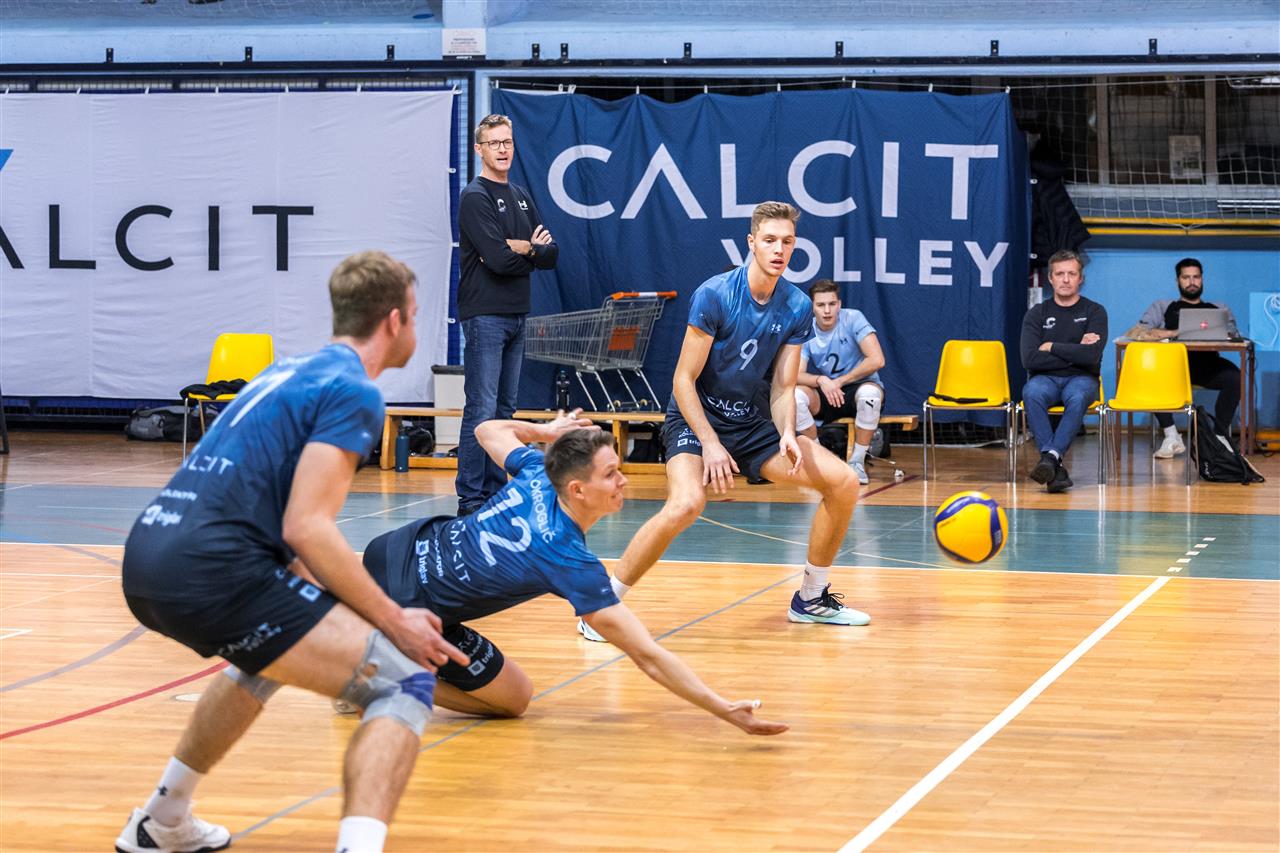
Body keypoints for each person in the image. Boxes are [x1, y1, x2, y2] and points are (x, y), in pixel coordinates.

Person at [114, 251, 467, 853]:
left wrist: (344, 615)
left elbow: (284, 527)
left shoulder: (289, 372)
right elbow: (308, 526)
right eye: (414, 313)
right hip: (215, 566)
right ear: (394, 320)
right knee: (404, 681)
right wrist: (393, 620)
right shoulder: (354, 391)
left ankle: (162, 820)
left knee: (269, 657)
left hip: (149, 556)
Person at [323, 414, 786, 737]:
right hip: (407, 603)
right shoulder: (568, 559)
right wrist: (720, 708)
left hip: (394, 546)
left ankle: (371, 644)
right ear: (578, 489)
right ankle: (375, 676)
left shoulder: (537, 472)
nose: (623, 481)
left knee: (515, 695)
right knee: (512, 703)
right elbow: (646, 655)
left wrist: (544, 432)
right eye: (611, 474)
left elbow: (488, 430)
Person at [578, 201, 867, 643]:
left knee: (843, 482)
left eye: (787, 242)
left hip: (750, 423)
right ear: (752, 242)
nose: (779, 250)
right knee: (685, 504)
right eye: (769, 240)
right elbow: (682, 380)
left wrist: (787, 433)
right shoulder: (715, 294)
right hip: (695, 417)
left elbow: (783, 387)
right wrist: (710, 442)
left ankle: (810, 599)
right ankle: (600, 608)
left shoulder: (795, 305)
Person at [456, 113, 559, 515]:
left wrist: (523, 247)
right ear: (479, 149)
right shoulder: (475, 196)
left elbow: (551, 254)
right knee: (481, 410)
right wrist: (528, 250)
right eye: (494, 143)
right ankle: (471, 499)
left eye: (507, 142)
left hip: (518, 313)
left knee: (504, 412)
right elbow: (497, 260)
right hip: (485, 314)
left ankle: (495, 493)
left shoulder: (520, 195)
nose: (502, 149)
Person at [1020, 249, 1108, 493]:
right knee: (1031, 392)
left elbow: (1091, 356)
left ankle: (1049, 458)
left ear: (1081, 278)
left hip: (1082, 379)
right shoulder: (1037, 314)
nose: (1066, 279)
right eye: (1060, 274)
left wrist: (1052, 346)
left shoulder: (1094, 312)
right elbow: (1030, 359)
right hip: (1044, 380)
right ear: (1051, 278)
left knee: (1078, 397)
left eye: (1072, 274)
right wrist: (1076, 350)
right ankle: (1054, 466)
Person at [1140, 257, 1242, 457]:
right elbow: (1139, 332)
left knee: (1235, 378)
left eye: (1196, 277)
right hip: (1173, 368)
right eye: (1186, 278)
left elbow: (1233, 335)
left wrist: (1227, 334)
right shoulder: (1163, 306)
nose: (1192, 282)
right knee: (1152, 377)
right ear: (1178, 281)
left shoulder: (1218, 308)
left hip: (1209, 367)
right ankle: (1171, 436)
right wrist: (1175, 332)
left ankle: (1219, 437)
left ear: (1202, 279)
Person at [793, 279, 887, 485]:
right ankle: (820, 462)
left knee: (870, 396)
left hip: (858, 386)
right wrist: (821, 379)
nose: (827, 310)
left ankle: (857, 462)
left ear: (839, 304)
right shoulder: (806, 328)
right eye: (821, 305)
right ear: (812, 307)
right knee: (796, 397)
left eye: (832, 304)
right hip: (828, 391)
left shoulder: (853, 318)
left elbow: (877, 359)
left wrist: (840, 381)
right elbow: (796, 374)